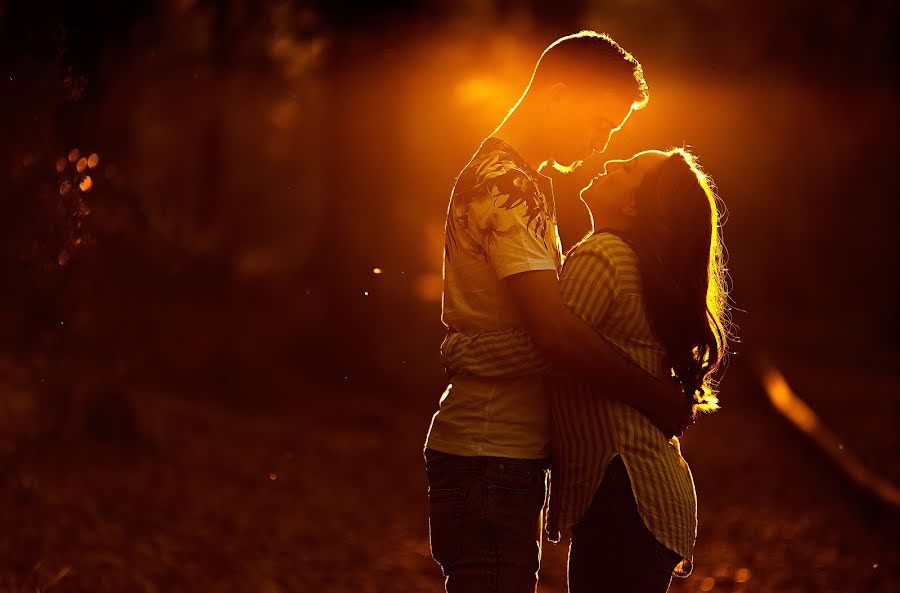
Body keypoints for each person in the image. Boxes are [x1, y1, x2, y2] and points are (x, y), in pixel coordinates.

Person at [423, 31, 695, 593]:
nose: (601, 144)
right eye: (600, 123)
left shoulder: (525, 184)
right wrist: (655, 395)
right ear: (559, 96)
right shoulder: (507, 184)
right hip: (487, 447)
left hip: (502, 453)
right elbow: (556, 333)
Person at [444, 148, 731, 592]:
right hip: (644, 497)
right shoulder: (634, 262)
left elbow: (552, 345)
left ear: (635, 204)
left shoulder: (602, 255)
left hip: (625, 493)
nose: (612, 163)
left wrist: (463, 350)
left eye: (629, 168)